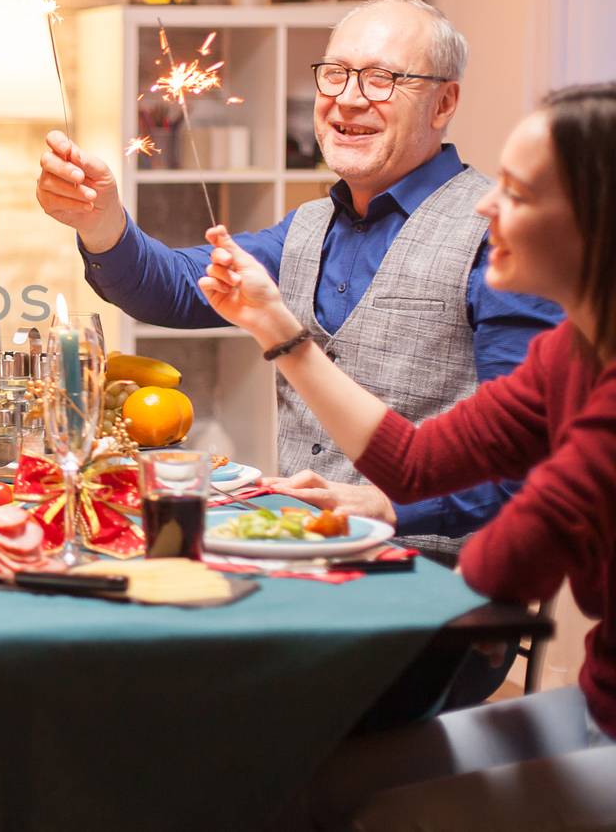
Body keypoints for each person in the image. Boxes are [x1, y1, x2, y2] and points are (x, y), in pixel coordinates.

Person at [196, 84, 616, 828]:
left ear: (595, 221)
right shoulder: (566, 354)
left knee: (394, 815)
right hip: (595, 706)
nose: (485, 208)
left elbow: (506, 567)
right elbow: (416, 461)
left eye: (516, 194)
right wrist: (276, 327)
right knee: (302, 785)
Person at [36, 0, 562, 566]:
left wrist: (391, 506)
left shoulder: (500, 238)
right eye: (334, 73)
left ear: (444, 102)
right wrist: (102, 222)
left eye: (383, 79)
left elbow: (530, 463)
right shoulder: (308, 227)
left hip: (436, 588)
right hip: (302, 558)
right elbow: (175, 288)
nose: (348, 98)